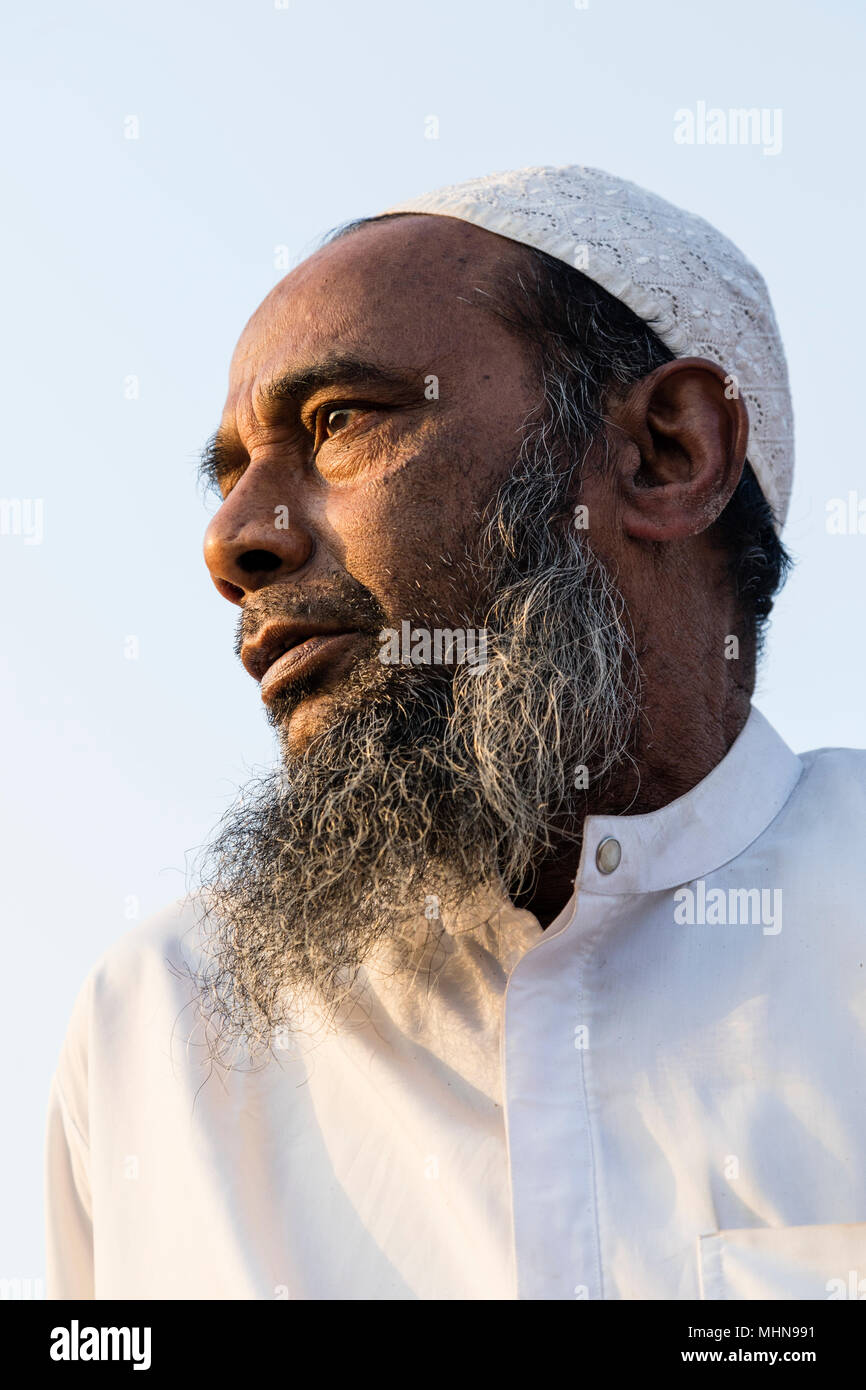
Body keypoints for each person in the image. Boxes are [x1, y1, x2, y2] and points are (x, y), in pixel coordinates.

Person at [45, 165, 866, 1300]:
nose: (230, 541)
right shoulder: (155, 1025)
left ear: (666, 453)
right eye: (228, 477)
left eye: (338, 423)